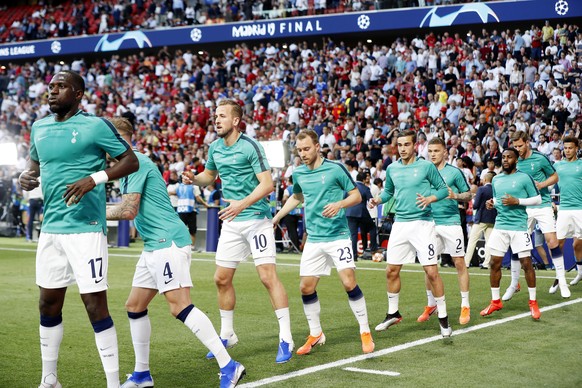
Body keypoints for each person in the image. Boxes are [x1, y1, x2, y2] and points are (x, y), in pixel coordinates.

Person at [19, 70, 139, 388]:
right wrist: (25, 176)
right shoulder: (39, 127)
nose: (52, 91)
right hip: (51, 228)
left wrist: (94, 178)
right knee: (47, 302)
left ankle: (113, 383)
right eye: (50, 86)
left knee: (94, 305)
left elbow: (130, 161)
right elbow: (34, 165)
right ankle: (49, 379)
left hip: (86, 228)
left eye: (60, 87)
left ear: (78, 94)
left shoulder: (95, 125)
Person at [105, 117, 245, 388]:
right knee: (135, 306)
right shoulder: (127, 166)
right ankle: (142, 375)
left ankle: (229, 365)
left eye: (106, 141)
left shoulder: (135, 162)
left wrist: (92, 213)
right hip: (153, 244)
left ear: (120, 139)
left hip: (167, 241)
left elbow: (128, 210)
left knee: (179, 305)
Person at [182, 99, 294, 363]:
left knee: (268, 277)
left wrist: (240, 205)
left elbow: (267, 185)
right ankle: (228, 333)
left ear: (236, 120)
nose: (216, 120)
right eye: (215, 116)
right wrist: (194, 178)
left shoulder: (250, 146)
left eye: (222, 116)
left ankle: (286, 338)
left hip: (256, 218)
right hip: (232, 221)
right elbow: (209, 176)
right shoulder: (215, 148)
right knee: (221, 278)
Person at [272, 129, 375, 355]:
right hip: (315, 238)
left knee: (349, 283)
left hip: (338, 236)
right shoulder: (299, 173)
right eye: (299, 150)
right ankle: (316, 333)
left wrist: (339, 205)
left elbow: (356, 196)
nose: (303, 154)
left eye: (307, 149)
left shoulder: (335, 169)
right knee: (306, 287)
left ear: (318, 147)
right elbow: (297, 197)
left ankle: (365, 331)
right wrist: (278, 216)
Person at [369, 130, 452, 338]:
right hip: (400, 224)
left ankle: (443, 317)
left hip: (423, 224)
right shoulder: (392, 168)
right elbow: (389, 192)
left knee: (431, 272)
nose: (403, 148)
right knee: (391, 270)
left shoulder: (426, 166)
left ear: (415, 146)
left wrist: (430, 199)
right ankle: (393, 313)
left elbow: (443, 190)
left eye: (407, 144)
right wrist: (378, 199)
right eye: (400, 145)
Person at [480, 148, 542, 320]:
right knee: (494, 263)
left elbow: (538, 199)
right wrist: (492, 203)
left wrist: (518, 201)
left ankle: (533, 302)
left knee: (527, 264)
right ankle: (495, 301)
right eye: (504, 157)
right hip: (500, 226)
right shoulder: (497, 179)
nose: (505, 160)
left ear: (516, 160)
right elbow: (498, 200)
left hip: (519, 226)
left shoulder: (524, 177)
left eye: (509, 157)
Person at [507, 131, 570, 299]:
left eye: (520, 145)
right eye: (515, 146)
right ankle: (514, 284)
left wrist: (541, 184)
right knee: (517, 243)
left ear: (527, 142)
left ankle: (562, 281)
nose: (518, 149)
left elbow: (555, 177)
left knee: (552, 241)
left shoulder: (540, 158)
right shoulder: (514, 160)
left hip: (542, 205)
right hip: (524, 207)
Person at [421, 137, 472, 325]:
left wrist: (456, 195)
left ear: (445, 152)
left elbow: (469, 194)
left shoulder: (454, 172)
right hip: (429, 223)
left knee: (459, 262)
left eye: (436, 151)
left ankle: (465, 305)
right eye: (430, 151)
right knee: (429, 265)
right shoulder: (424, 171)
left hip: (451, 223)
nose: (433, 154)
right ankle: (431, 304)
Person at [553, 137, 582, 286]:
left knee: (577, 245)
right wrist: (551, 200)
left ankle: (580, 272)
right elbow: (551, 185)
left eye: (570, 148)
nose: (568, 150)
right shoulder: (558, 166)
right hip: (564, 209)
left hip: (580, 209)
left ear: (577, 148)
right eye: (566, 148)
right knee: (558, 243)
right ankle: (559, 277)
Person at [464, 172, 497, 269]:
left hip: (481, 218)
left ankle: (466, 262)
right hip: (492, 219)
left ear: (486, 179)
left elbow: (475, 205)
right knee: (489, 242)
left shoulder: (481, 189)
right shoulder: (495, 190)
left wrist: (474, 199)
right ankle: (486, 264)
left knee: (472, 240)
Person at [169, 174, 209, 247]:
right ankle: (182, 246)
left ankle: (191, 247)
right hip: (181, 210)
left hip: (190, 211)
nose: (184, 179)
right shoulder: (179, 186)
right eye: (184, 178)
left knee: (191, 230)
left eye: (186, 178)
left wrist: (204, 203)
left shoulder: (194, 186)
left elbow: (197, 197)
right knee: (183, 230)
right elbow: (174, 193)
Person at [346, 172, 378, 260]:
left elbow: (344, 198)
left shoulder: (350, 187)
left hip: (349, 213)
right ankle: (373, 249)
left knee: (353, 234)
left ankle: (353, 255)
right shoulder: (365, 188)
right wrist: (373, 204)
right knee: (372, 228)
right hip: (361, 213)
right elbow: (370, 200)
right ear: (364, 180)